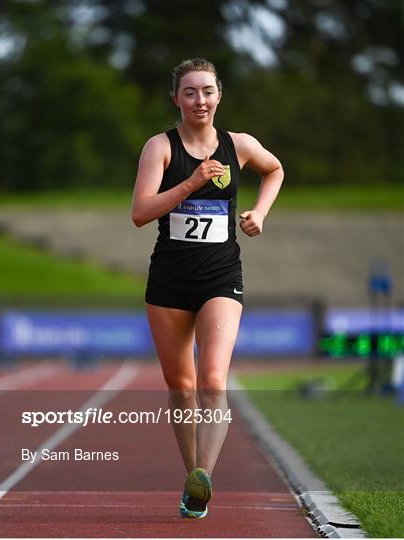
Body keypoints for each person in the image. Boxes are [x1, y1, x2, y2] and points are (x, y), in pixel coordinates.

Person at [132, 58, 284, 518]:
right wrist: (192, 182)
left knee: (213, 379)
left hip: (221, 276)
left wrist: (259, 213)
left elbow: (274, 170)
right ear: (176, 98)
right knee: (181, 386)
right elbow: (140, 213)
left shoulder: (239, 145)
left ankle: (204, 479)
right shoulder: (160, 147)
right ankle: (193, 476)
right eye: (191, 92)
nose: (200, 100)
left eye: (208, 91)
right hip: (170, 280)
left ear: (220, 96)